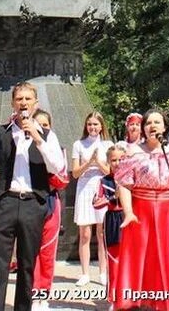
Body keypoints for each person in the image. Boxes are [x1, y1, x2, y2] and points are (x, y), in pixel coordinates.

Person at [0, 82, 66, 311]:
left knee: (27, 265)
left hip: (33, 203)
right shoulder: (1, 132)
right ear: (13, 103)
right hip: (6, 200)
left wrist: (38, 138)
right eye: (19, 99)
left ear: (36, 103)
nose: (23, 103)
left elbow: (57, 166)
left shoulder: (47, 135)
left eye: (28, 99)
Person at [114, 109, 169, 311]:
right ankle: (135, 301)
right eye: (148, 123)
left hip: (168, 210)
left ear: (165, 127)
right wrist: (128, 212)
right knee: (140, 257)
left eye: (157, 122)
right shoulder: (133, 152)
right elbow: (124, 184)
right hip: (140, 211)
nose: (152, 126)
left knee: (168, 256)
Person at [32, 110, 70, 311]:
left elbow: (62, 178)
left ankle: (43, 295)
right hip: (29, 203)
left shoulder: (56, 149)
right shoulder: (23, 150)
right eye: (37, 124)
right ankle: (32, 293)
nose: (41, 128)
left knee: (47, 252)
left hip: (49, 201)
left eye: (45, 125)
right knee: (30, 252)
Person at [71, 111, 112, 287]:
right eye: (90, 124)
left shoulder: (108, 144)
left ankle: (103, 272)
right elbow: (75, 173)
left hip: (101, 188)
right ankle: (85, 273)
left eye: (95, 124)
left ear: (101, 126)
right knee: (85, 233)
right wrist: (89, 163)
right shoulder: (78, 144)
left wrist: (98, 162)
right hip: (84, 188)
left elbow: (110, 171)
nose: (92, 127)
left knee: (101, 233)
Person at [93, 145, 125, 310]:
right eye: (114, 160)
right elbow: (96, 203)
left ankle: (131, 297)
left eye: (121, 159)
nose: (118, 163)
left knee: (130, 260)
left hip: (129, 219)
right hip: (112, 219)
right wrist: (114, 197)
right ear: (108, 162)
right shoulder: (104, 181)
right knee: (113, 260)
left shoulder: (132, 178)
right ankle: (113, 298)